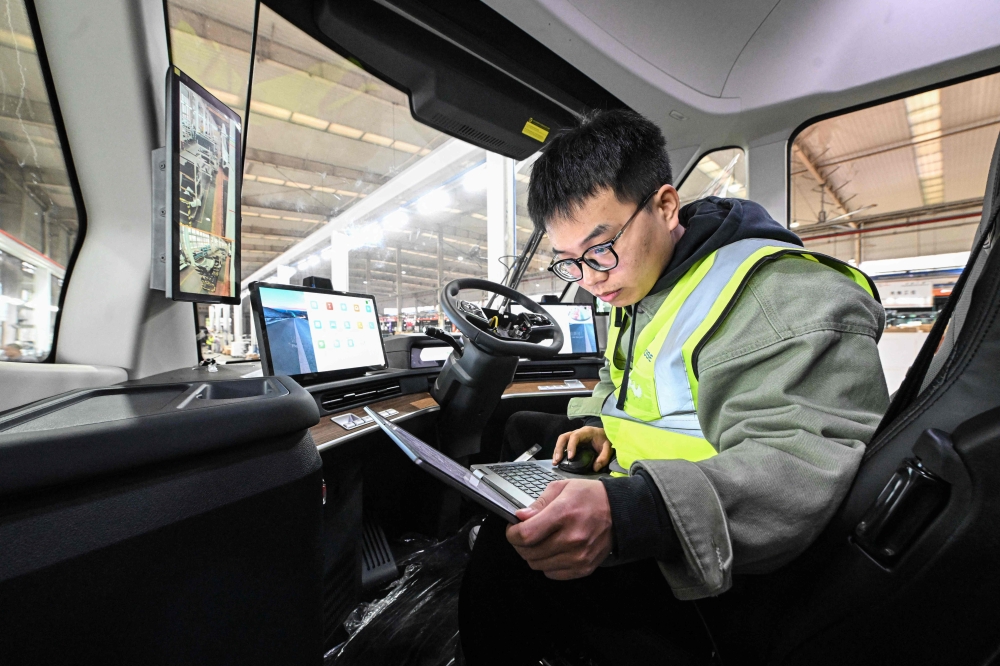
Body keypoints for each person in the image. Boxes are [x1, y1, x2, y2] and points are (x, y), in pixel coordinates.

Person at [458, 109, 889, 665]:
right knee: (524, 432)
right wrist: (595, 422)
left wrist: (632, 512)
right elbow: (623, 378)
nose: (590, 280)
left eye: (599, 249)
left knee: (508, 549)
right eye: (569, 263)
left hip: (719, 556)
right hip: (656, 485)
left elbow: (797, 463)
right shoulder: (641, 279)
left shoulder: (782, 295)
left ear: (665, 206)